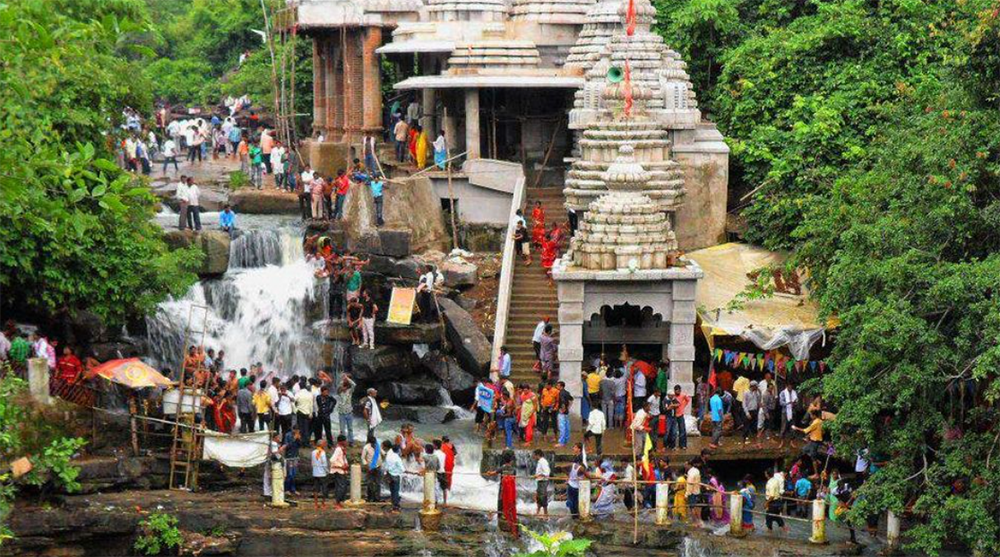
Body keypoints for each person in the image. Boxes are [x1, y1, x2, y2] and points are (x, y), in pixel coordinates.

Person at [765, 469, 789, 533]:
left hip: (772, 502)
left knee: (768, 517)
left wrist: (766, 503)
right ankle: (785, 529)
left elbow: (772, 496)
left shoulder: (771, 483)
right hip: (777, 501)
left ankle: (769, 532)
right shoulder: (776, 480)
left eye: (765, 474)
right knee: (777, 516)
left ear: (767, 475)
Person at [382, 440, 403, 511]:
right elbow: (402, 468)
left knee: (392, 490)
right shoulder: (396, 456)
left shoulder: (388, 455)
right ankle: (396, 505)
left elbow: (386, 466)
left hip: (389, 474)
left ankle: (394, 504)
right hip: (396, 475)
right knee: (396, 490)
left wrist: (386, 473)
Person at [667, 384, 690, 449]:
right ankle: (671, 445)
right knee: (672, 431)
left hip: (680, 414)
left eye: (679, 391)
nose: (678, 392)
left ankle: (683, 445)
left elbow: (688, 400)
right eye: (677, 391)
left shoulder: (683, 395)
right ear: (674, 391)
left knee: (682, 430)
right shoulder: (672, 396)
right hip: (673, 415)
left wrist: (683, 406)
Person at [330, 435, 350, 507]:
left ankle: (341, 501)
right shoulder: (338, 449)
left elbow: (343, 458)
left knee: (343, 486)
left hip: (342, 471)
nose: (346, 442)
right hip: (339, 470)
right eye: (345, 441)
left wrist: (346, 464)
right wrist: (341, 466)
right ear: (341, 442)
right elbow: (332, 460)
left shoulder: (342, 448)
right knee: (341, 486)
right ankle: (337, 502)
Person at [362, 433, 382, 503]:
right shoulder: (366, 448)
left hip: (378, 466)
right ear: (370, 443)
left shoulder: (378, 446)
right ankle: (369, 497)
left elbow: (382, 453)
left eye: (375, 443)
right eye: (373, 443)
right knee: (370, 483)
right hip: (370, 467)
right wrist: (366, 465)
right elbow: (363, 458)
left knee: (378, 483)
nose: (374, 444)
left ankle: (377, 498)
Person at [281, 427, 302, 495]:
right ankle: (287, 489)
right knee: (289, 474)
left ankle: (293, 489)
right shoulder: (288, 435)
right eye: (296, 430)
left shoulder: (298, 435)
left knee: (294, 474)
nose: (297, 432)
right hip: (289, 457)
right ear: (293, 430)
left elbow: (300, 445)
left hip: (295, 456)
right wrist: (294, 439)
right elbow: (287, 446)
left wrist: (298, 439)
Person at [778, 383, 799, 448]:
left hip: (793, 412)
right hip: (785, 412)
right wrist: (788, 403)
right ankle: (782, 442)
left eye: (791, 387)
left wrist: (795, 403)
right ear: (786, 386)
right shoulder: (782, 393)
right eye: (789, 387)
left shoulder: (794, 392)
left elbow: (797, 401)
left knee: (793, 427)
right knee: (783, 427)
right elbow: (781, 402)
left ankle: (791, 442)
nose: (790, 388)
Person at [337, 374, 356, 444]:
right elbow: (339, 386)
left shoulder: (350, 392)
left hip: (349, 412)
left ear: (347, 387)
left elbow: (354, 385)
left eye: (345, 387)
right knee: (342, 429)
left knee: (350, 428)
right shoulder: (339, 392)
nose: (343, 388)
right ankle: (343, 442)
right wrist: (343, 380)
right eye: (342, 387)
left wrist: (347, 378)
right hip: (341, 413)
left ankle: (351, 441)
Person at [311, 440, 330, 508]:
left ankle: (316, 504)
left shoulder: (313, 452)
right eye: (324, 444)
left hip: (315, 472)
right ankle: (323, 503)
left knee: (316, 488)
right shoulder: (322, 452)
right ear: (321, 445)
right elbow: (324, 463)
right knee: (324, 488)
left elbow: (312, 462)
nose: (325, 445)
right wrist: (327, 471)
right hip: (322, 473)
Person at [743, 380, 762, 446]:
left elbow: (759, 401)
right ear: (753, 386)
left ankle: (754, 441)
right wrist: (747, 413)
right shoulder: (746, 393)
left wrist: (759, 393)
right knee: (746, 426)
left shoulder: (756, 393)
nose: (757, 388)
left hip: (755, 411)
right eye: (756, 386)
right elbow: (744, 404)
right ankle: (744, 440)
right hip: (749, 411)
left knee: (754, 426)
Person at [533, 449, 550, 515]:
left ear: (538, 455)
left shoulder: (543, 462)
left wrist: (538, 475)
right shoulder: (540, 461)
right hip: (540, 481)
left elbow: (547, 472)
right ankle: (538, 512)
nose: (533, 456)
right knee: (539, 497)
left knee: (543, 497)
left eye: (534, 455)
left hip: (543, 481)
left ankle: (546, 513)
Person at [685, 460, 702, 526]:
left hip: (692, 492)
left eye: (686, 464)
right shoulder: (696, 470)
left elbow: (690, 484)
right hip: (697, 491)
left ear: (689, 465)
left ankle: (695, 522)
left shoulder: (691, 473)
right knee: (696, 507)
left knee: (692, 507)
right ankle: (699, 521)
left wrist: (687, 494)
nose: (685, 466)